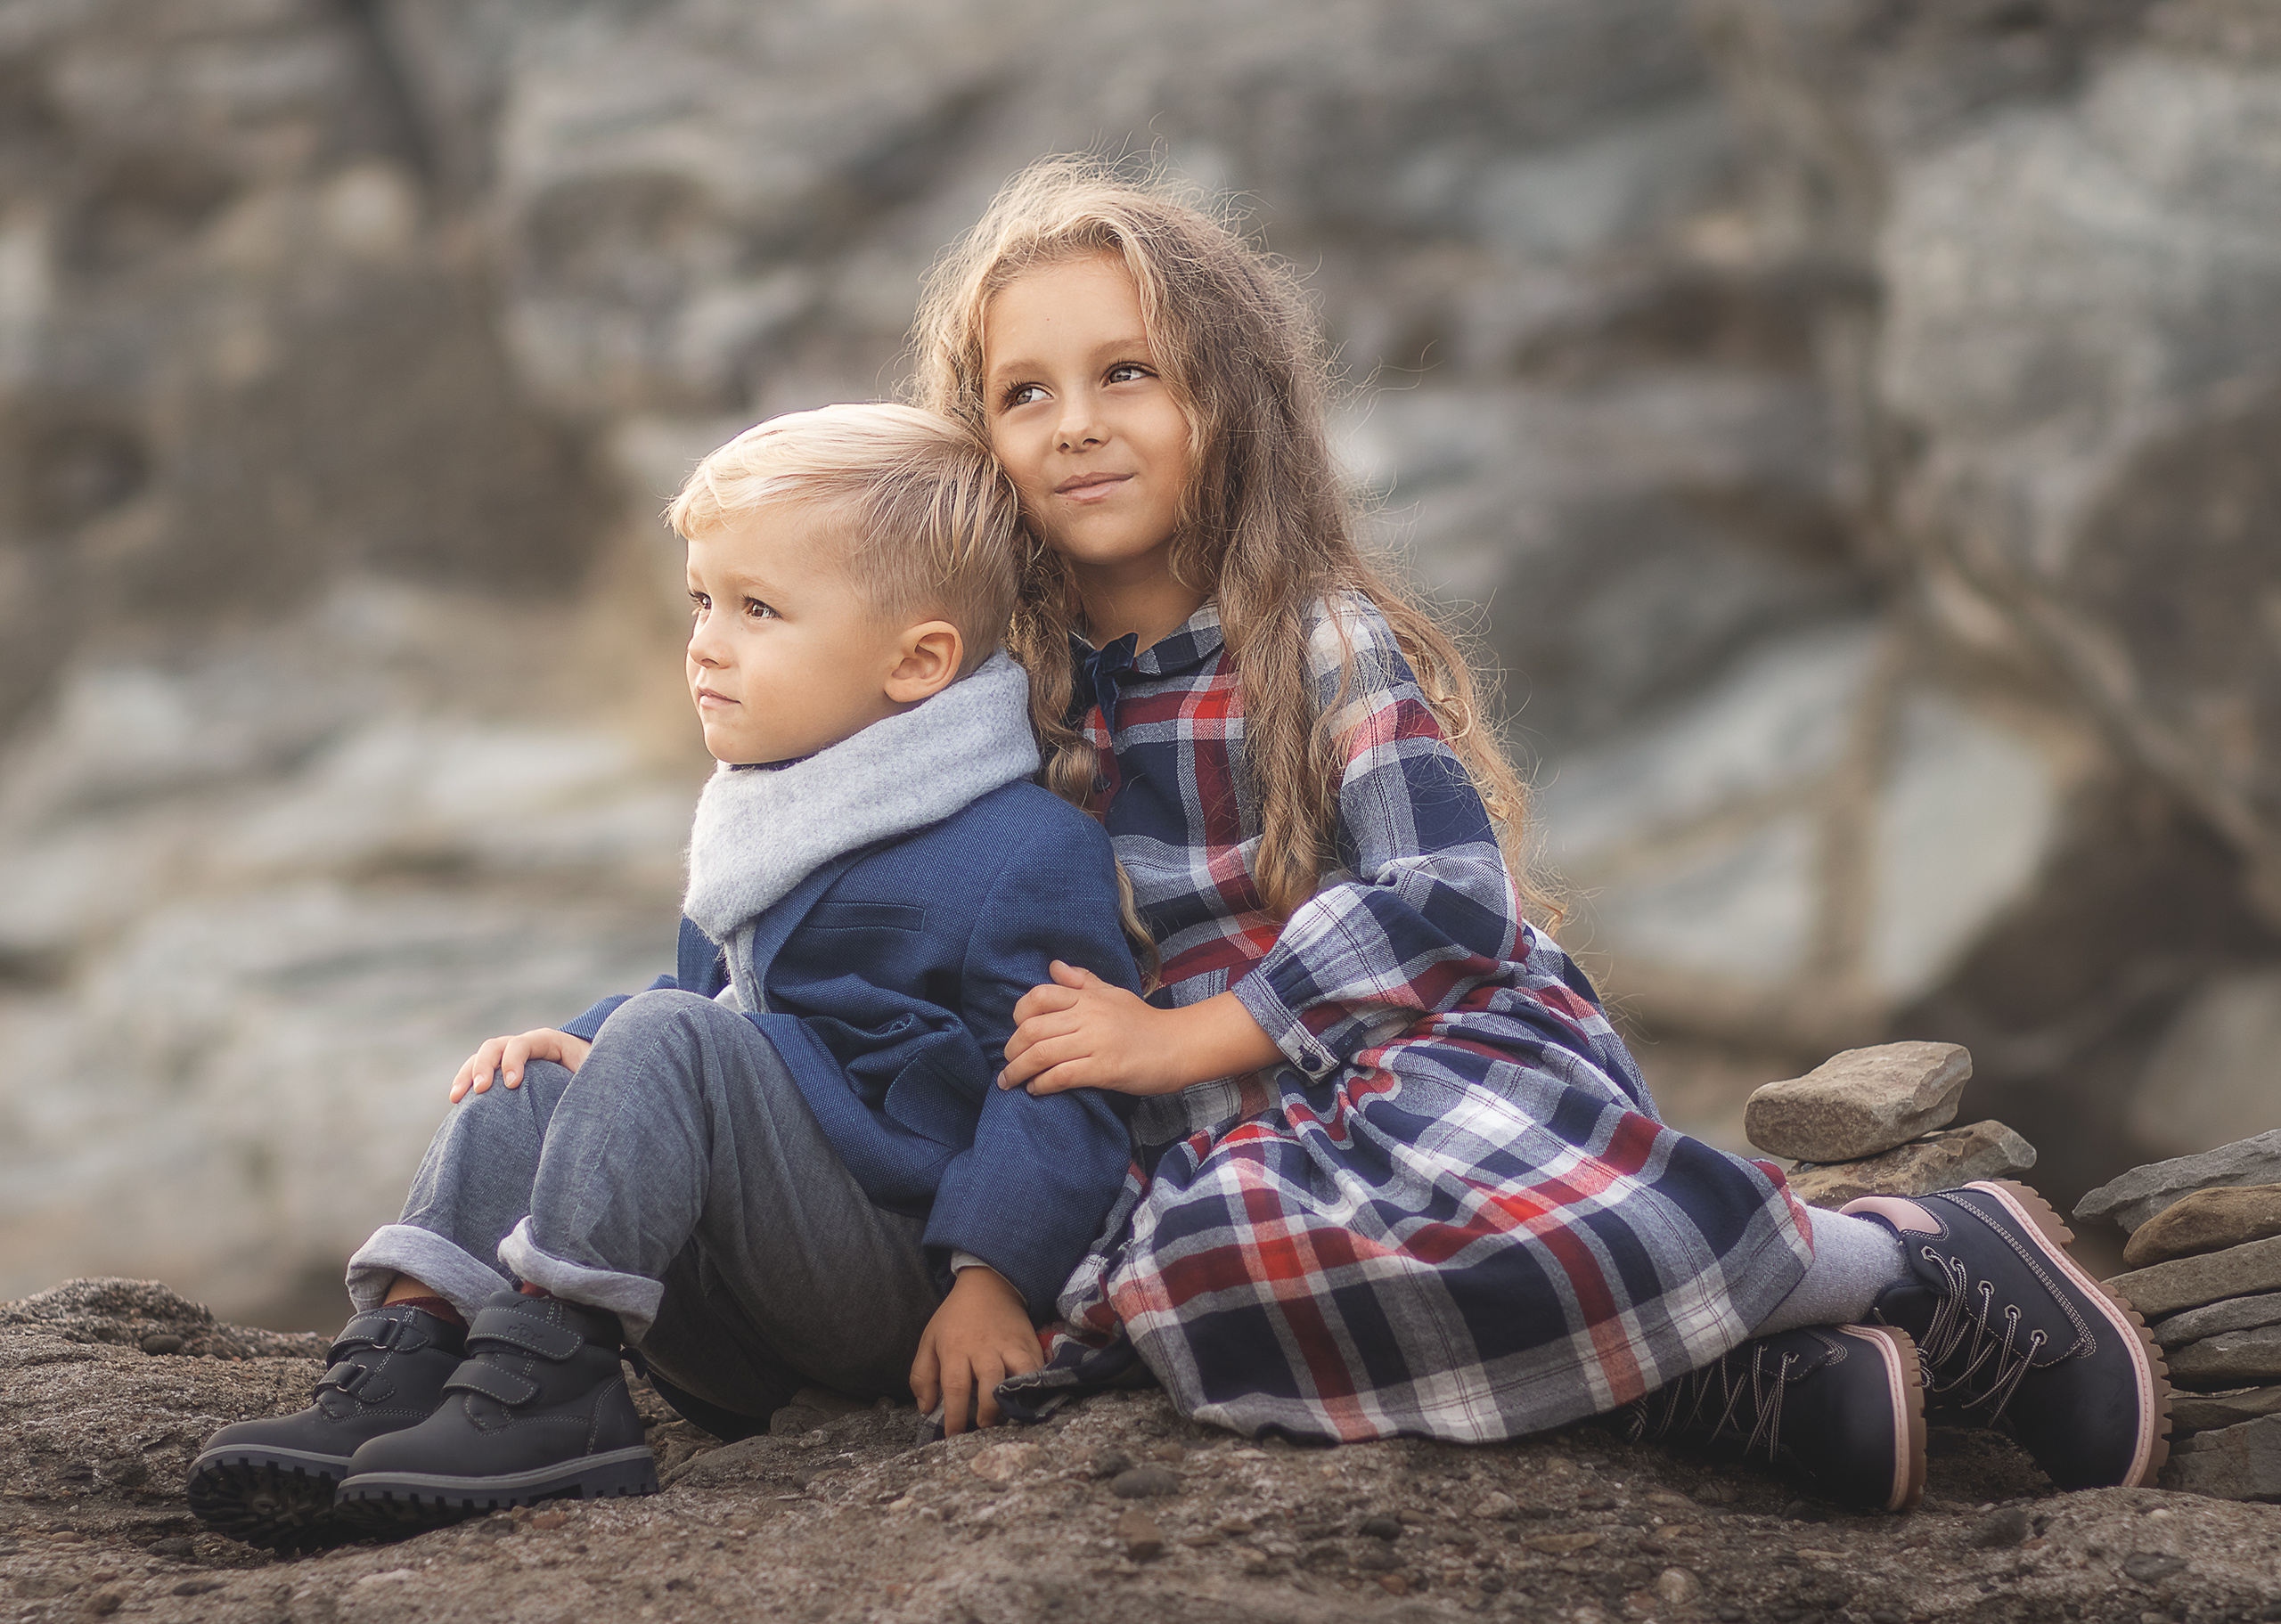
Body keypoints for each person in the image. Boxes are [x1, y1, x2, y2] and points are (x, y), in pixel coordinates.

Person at [903, 159, 2171, 1511]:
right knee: (1194, 1281)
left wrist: (1192, 1034)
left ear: (1228, 398)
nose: (1076, 425)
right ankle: (1752, 1383)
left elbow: (1450, 893)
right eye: (1023, 393)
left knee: (1476, 1188)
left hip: (1417, 1047)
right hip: (1222, 1133)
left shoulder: (1316, 639)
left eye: (1128, 374)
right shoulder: (1017, 712)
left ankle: (1906, 1256)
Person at [186, 403, 1145, 1549]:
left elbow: (1059, 1079)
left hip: (893, 1287)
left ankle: (553, 1386)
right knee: (529, 1070)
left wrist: (992, 1275)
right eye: (702, 600)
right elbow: (725, 992)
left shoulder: (1022, 848)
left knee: (661, 1031)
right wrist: (579, 1043)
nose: (705, 640)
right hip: (725, 1321)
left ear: (917, 660)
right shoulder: (786, 805)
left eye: (758, 609)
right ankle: (410, 1354)